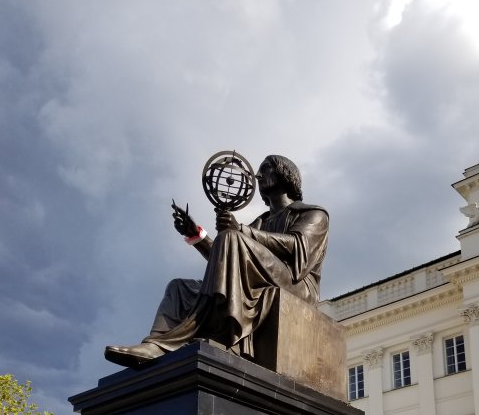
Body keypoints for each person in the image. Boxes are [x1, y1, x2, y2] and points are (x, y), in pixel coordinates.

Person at [105, 155, 329, 368]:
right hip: (262, 280)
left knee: (230, 237)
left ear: (285, 173)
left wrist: (240, 230)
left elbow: (297, 246)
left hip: (296, 285)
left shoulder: (313, 214)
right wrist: (196, 235)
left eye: (266, 168)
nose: (258, 174)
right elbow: (226, 257)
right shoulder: (261, 222)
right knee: (179, 288)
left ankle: (182, 341)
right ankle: (155, 345)